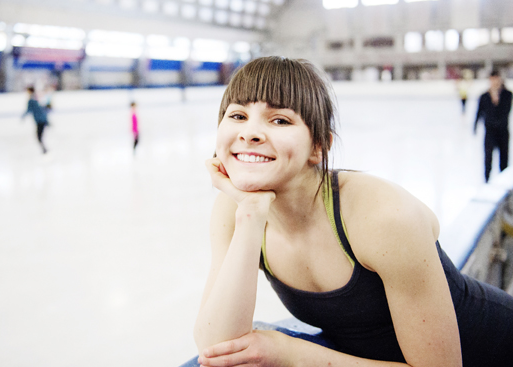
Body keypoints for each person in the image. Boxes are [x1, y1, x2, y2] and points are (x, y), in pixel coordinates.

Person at [192, 57, 513, 367]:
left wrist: (293, 355)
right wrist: (250, 215)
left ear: (318, 146)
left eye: (280, 120)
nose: (250, 133)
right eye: (237, 116)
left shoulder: (381, 216)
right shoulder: (236, 210)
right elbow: (217, 347)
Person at [474, 70, 512, 182]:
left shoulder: (507, 95)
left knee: (504, 158)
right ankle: (487, 181)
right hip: (489, 132)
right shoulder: (484, 96)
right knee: (488, 158)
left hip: (503, 132)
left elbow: (506, 111)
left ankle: (504, 182)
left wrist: (496, 101)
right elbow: (479, 112)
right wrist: (475, 126)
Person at [22, 86, 49, 154]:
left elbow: (29, 110)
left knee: (38, 136)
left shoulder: (31, 100)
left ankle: (44, 150)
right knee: (39, 136)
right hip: (41, 120)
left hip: (40, 120)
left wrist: (23, 116)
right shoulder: (36, 98)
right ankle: (44, 149)